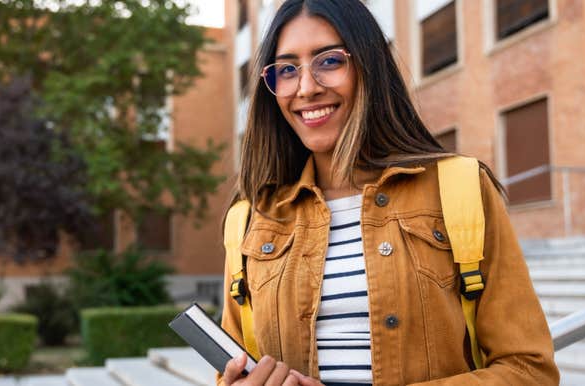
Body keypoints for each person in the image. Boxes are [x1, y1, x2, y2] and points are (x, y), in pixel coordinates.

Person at [219, 0, 559, 385]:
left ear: (369, 67)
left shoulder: (458, 188)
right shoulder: (250, 219)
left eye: (329, 61)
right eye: (286, 69)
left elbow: (530, 370)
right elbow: (231, 370)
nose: (307, 87)